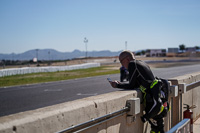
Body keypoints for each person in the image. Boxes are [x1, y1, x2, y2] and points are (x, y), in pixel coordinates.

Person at [109, 50, 169, 133]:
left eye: (121, 61)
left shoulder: (132, 64)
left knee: (157, 130)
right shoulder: (141, 62)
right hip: (157, 101)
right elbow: (138, 84)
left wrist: (117, 85)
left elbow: (131, 85)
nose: (121, 64)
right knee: (157, 129)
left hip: (153, 105)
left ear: (126, 59)